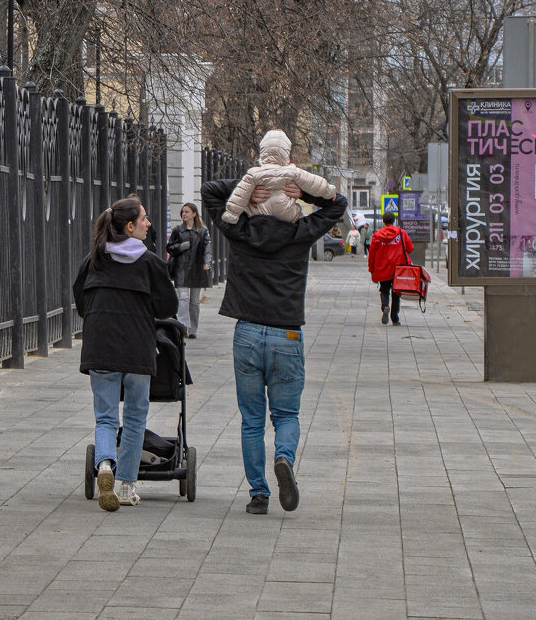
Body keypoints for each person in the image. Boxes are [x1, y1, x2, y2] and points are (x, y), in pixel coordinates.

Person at [202, 177, 347, 515]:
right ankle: (284, 456)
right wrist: (306, 191)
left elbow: (209, 191)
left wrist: (250, 187)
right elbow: (338, 204)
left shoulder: (239, 229)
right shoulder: (302, 232)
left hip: (248, 333)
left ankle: (258, 495)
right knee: (286, 414)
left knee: (251, 419)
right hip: (287, 334)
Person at [73, 197, 179, 512]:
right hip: (137, 349)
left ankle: (105, 464)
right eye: (144, 219)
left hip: (100, 347)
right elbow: (167, 308)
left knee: (106, 417)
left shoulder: (94, 259)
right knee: (134, 418)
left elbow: (81, 302)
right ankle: (126, 486)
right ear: (130, 226)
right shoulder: (150, 263)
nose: (149, 224)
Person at [220, 129, 336, 225]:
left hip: (260, 215)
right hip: (287, 215)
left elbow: (240, 195)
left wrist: (232, 213)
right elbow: (314, 183)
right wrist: (328, 191)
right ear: (286, 152)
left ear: (263, 151)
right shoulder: (293, 172)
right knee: (297, 214)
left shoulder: (254, 174)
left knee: (250, 210)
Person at [167, 203, 212, 338]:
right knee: (183, 298)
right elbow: (169, 247)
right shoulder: (178, 230)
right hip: (181, 268)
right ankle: (183, 327)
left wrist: (207, 262)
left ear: (194, 214)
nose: (184, 214)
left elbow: (207, 248)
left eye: (187, 212)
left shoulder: (202, 231)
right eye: (183, 212)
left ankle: (193, 329)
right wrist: (181, 246)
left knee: (194, 302)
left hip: (197, 268)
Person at [367, 212, 413, 326]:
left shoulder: (377, 236)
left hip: (383, 268)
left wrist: (371, 269)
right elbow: (410, 248)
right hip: (399, 268)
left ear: (383, 221)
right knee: (396, 293)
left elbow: (372, 254)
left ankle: (385, 306)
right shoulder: (401, 233)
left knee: (384, 290)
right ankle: (395, 319)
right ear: (394, 220)